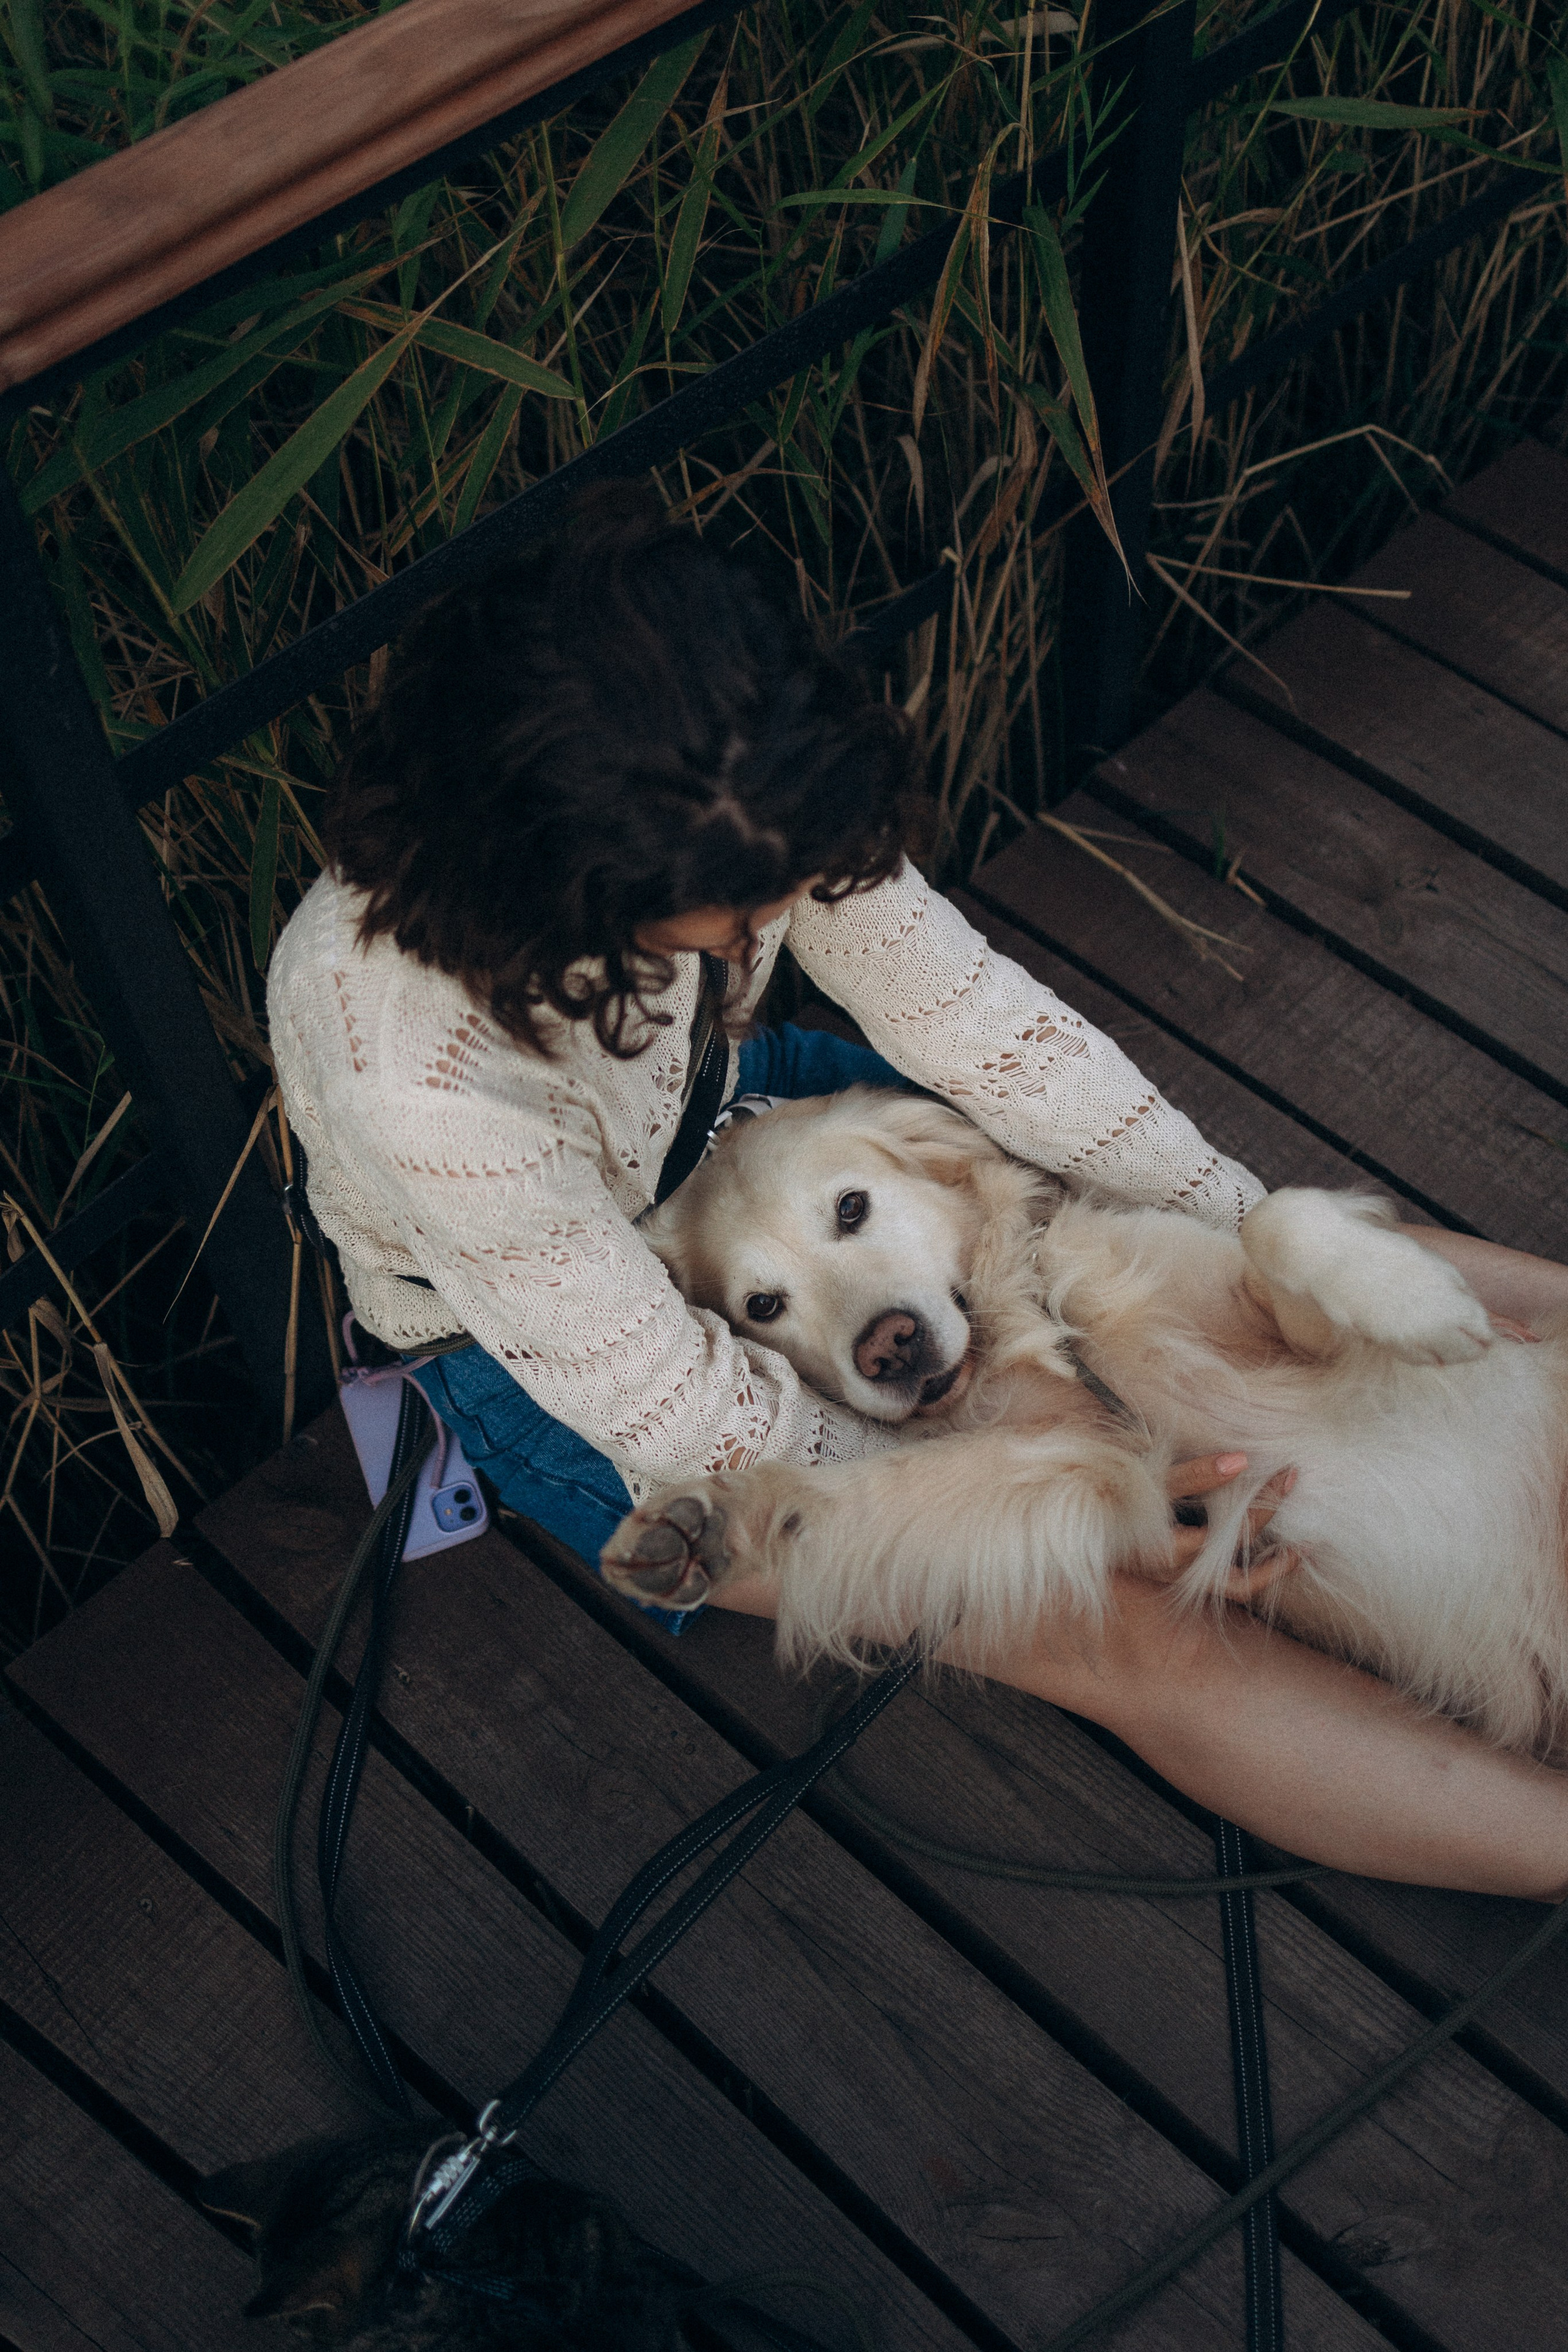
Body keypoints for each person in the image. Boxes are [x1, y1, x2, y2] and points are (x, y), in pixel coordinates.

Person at [268, 488, 1568, 1901]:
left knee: (1284, 1279)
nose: (767, 927)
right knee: (1117, 1627)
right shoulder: (421, 1080)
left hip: (751, 1108)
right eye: (732, 919)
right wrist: (1082, 1502)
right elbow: (677, 1408)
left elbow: (967, 1019)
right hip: (563, 1341)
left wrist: (1229, 1239)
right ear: (573, 892)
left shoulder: (726, 774)